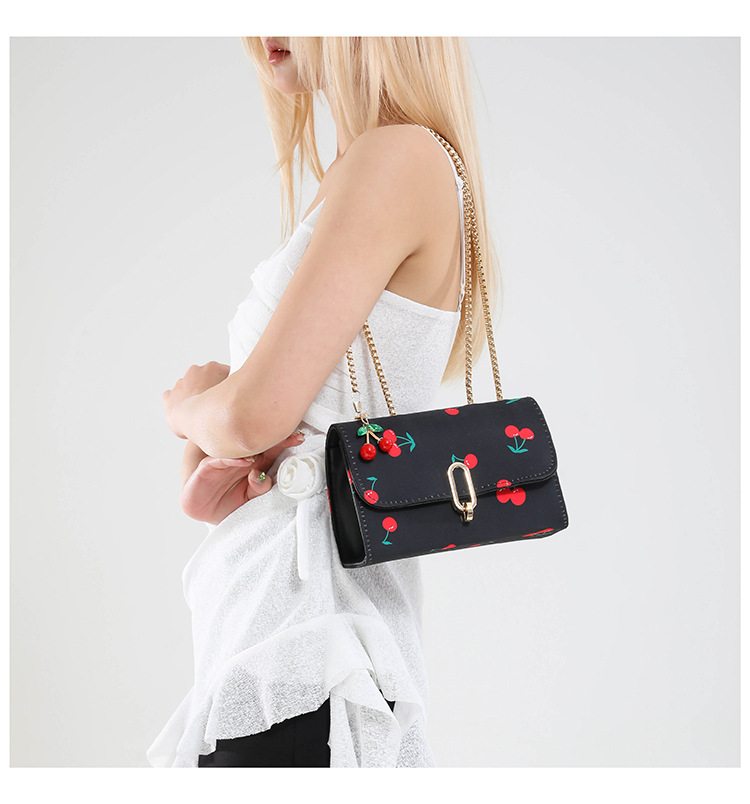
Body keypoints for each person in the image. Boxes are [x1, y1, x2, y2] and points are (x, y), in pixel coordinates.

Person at [148, 36, 499, 768]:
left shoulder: (395, 159)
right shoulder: (365, 167)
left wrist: (188, 405)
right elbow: (255, 437)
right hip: (281, 634)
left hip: (310, 643)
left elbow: (251, 417)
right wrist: (226, 443)